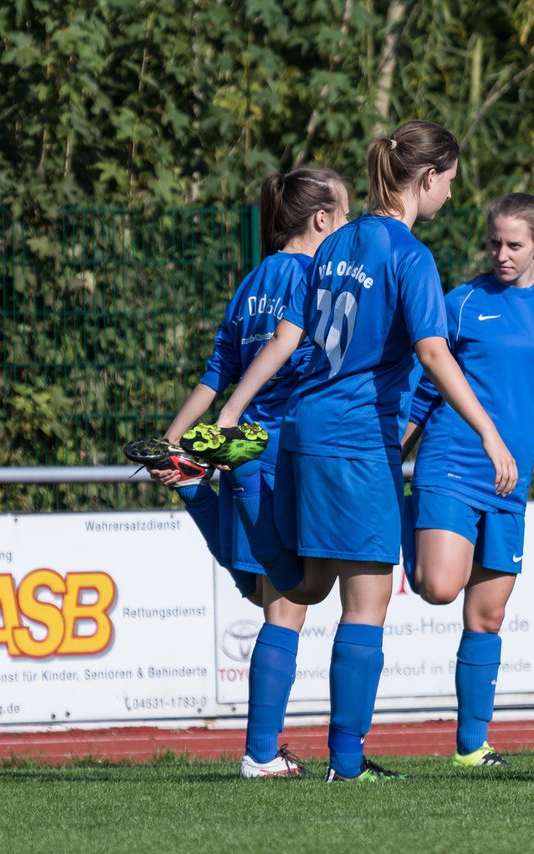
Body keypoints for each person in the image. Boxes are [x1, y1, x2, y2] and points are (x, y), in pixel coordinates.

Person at [213, 120, 518, 782]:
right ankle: (346, 765)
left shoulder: (333, 244)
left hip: (301, 434)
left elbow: (289, 336)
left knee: (299, 590)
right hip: (357, 443)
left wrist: (233, 409)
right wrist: (489, 432)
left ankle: (261, 753)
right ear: (428, 179)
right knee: (367, 602)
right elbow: (433, 353)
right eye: (450, 184)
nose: (449, 197)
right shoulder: (409, 255)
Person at [132, 166, 349, 778]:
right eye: (347, 214)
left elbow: (215, 368)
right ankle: (259, 754)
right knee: (288, 601)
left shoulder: (252, 278)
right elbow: (284, 346)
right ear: (321, 220)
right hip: (277, 446)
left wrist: (175, 438)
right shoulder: (311, 274)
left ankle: (198, 491)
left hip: (241, 447)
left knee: (269, 593)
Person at [401, 193, 534, 768]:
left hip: (512, 484)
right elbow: (423, 390)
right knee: (438, 585)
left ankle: (471, 747)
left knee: (487, 616)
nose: (501, 254)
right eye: (494, 243)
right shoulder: (459, 304)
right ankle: (402, 516)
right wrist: (390, 456)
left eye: (514, 244)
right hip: (450, 463)